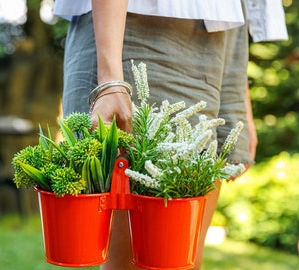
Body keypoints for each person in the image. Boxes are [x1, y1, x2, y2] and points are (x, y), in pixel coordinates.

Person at [53, 1, 288, 269]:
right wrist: (110, 81)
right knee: (140, 260)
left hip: (223, 31)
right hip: (140, 24)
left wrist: (238, 95)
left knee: (181, 260)